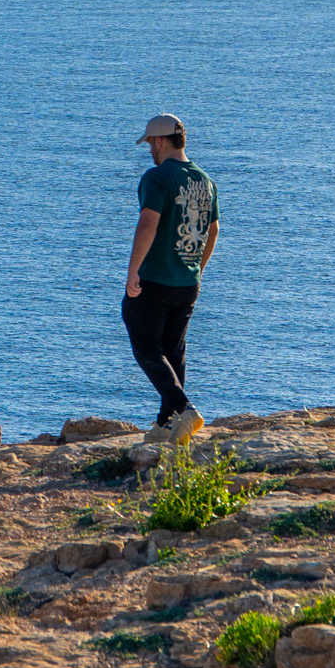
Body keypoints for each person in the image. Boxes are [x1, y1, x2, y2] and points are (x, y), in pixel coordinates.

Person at [122, 112, 219, 443]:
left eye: (150, 143)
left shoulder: (157, 177)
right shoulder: (206, 181)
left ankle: (183, 408)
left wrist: (134, 270)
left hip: (157, 279)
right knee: (173, 351)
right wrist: (197, 268)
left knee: (145, 344)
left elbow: (149, 222)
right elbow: (213, 229)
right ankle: (167, 424)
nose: (150, 149)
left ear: (160, 141)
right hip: (188, 282)